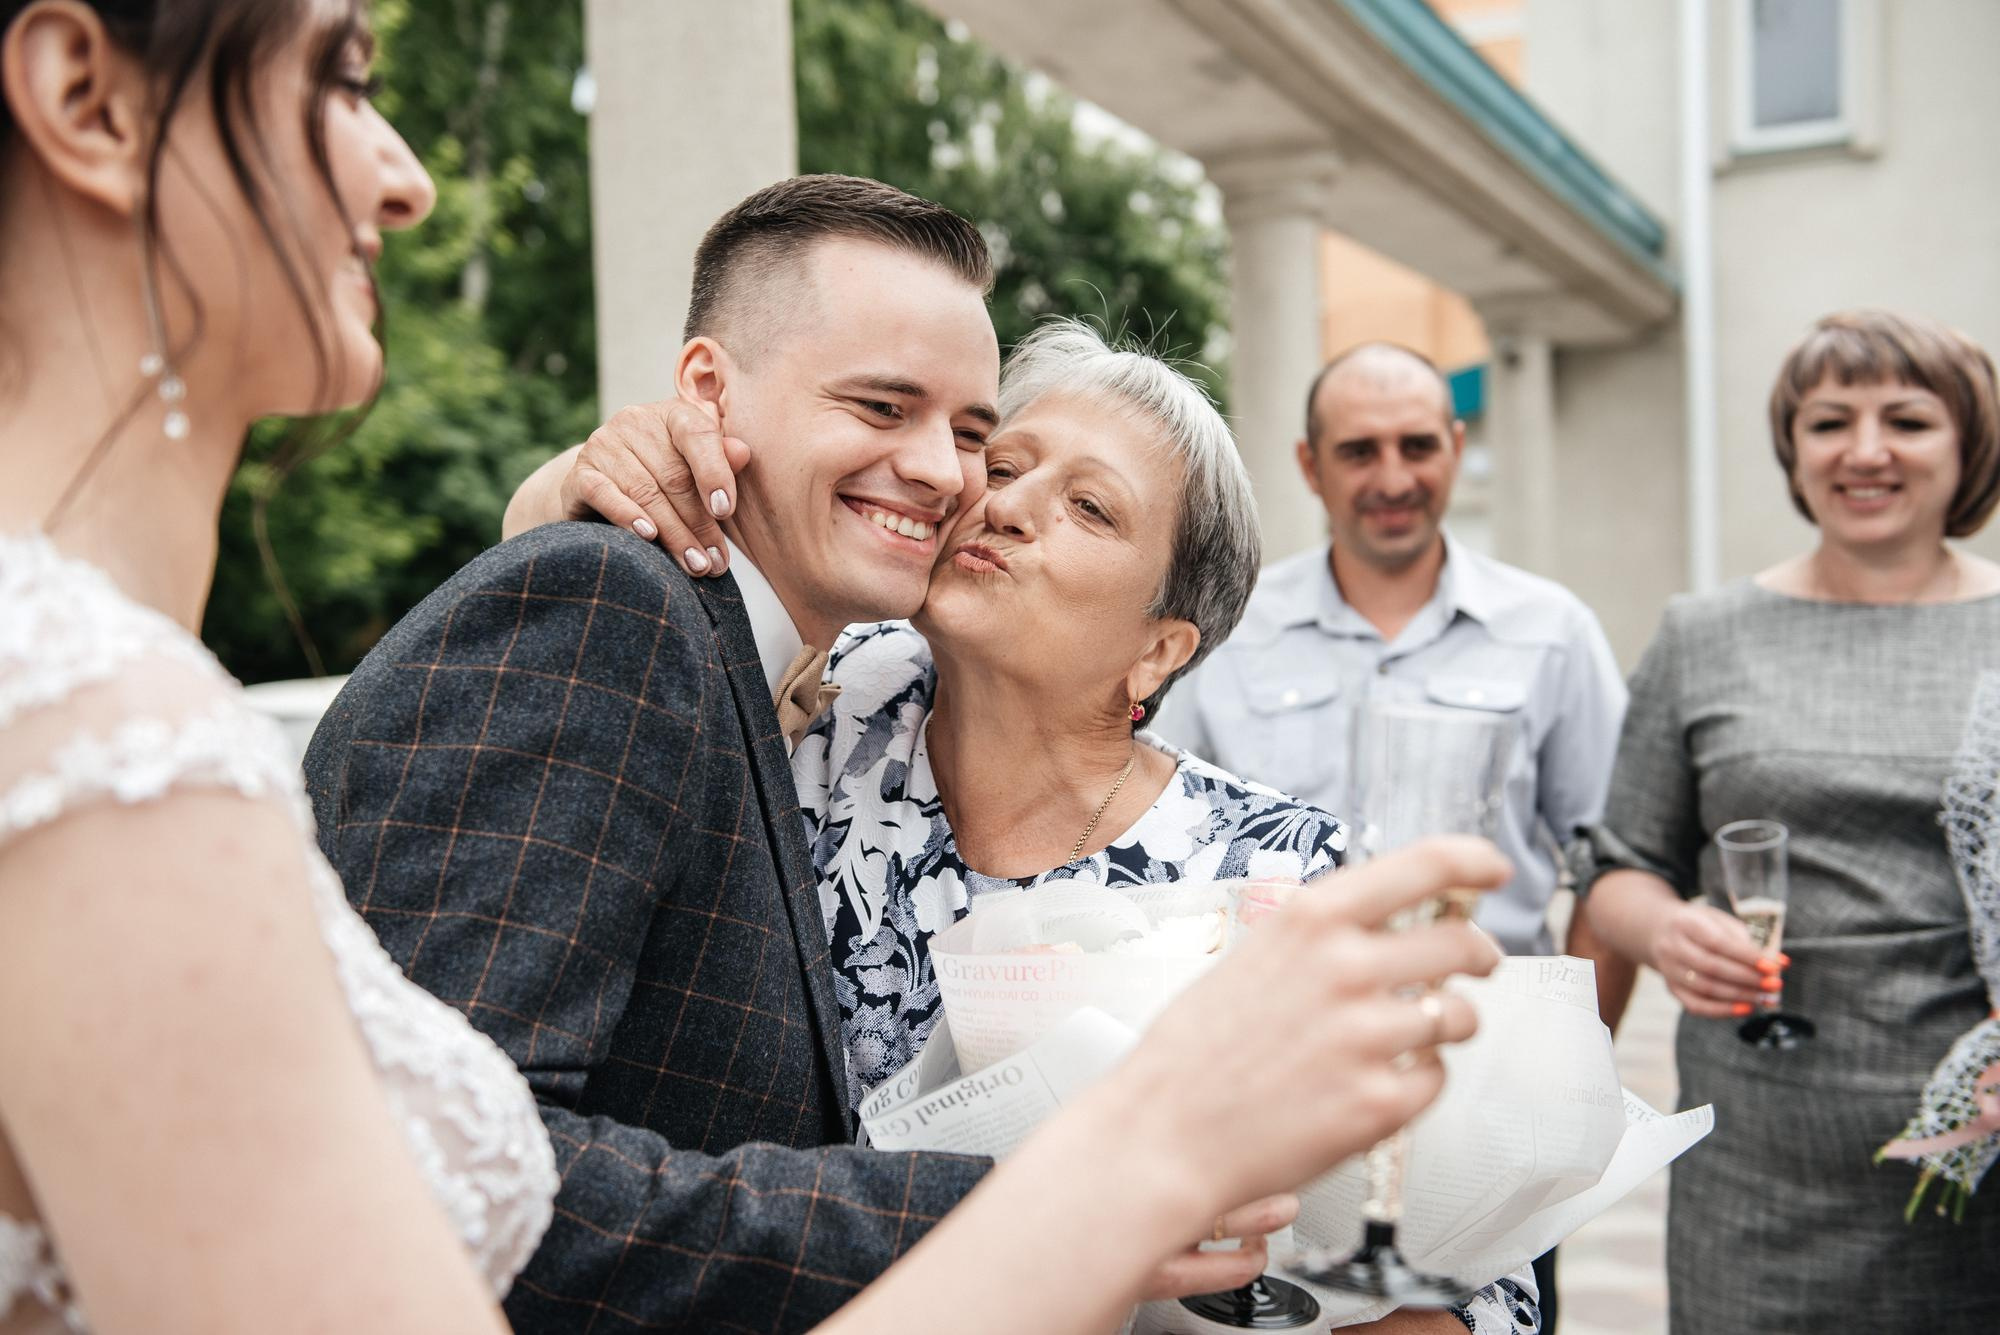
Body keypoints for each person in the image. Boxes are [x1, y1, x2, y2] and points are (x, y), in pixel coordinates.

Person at [506, 322, 1541, 1332]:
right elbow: (603, 630)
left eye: (1088, 507)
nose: (1007, 506)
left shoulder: (1275, 876)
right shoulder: (813, 700)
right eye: (1001, 467)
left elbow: (1469, 1263)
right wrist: (573, 482)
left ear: (1157, 650)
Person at [0, 0, 552, 1329]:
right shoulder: (96, 727)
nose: (408, 180)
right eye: (342, 79)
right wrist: (1113, 1168)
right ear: (91, 100)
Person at [1155, 341, 1633, 1330]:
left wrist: (1569, 1064)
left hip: (1486, 1102)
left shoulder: (1550, 631)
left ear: (1455, 447)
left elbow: (1612, 862)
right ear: (1306, 465)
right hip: (1282, 1103)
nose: (1391, 477)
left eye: (1417, 445)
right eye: (1358, 450)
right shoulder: (1227, 631)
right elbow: (1163, 845)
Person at [1582, 309, 2000, 1333]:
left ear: (1966, 447)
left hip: (1977, 1157)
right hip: (1756, 1159)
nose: (1863, 452)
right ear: (1792, 449)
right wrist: (1667, 929)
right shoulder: (1702, 634)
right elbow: (1617, 869)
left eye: (1904, 420)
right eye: (1827, 423)